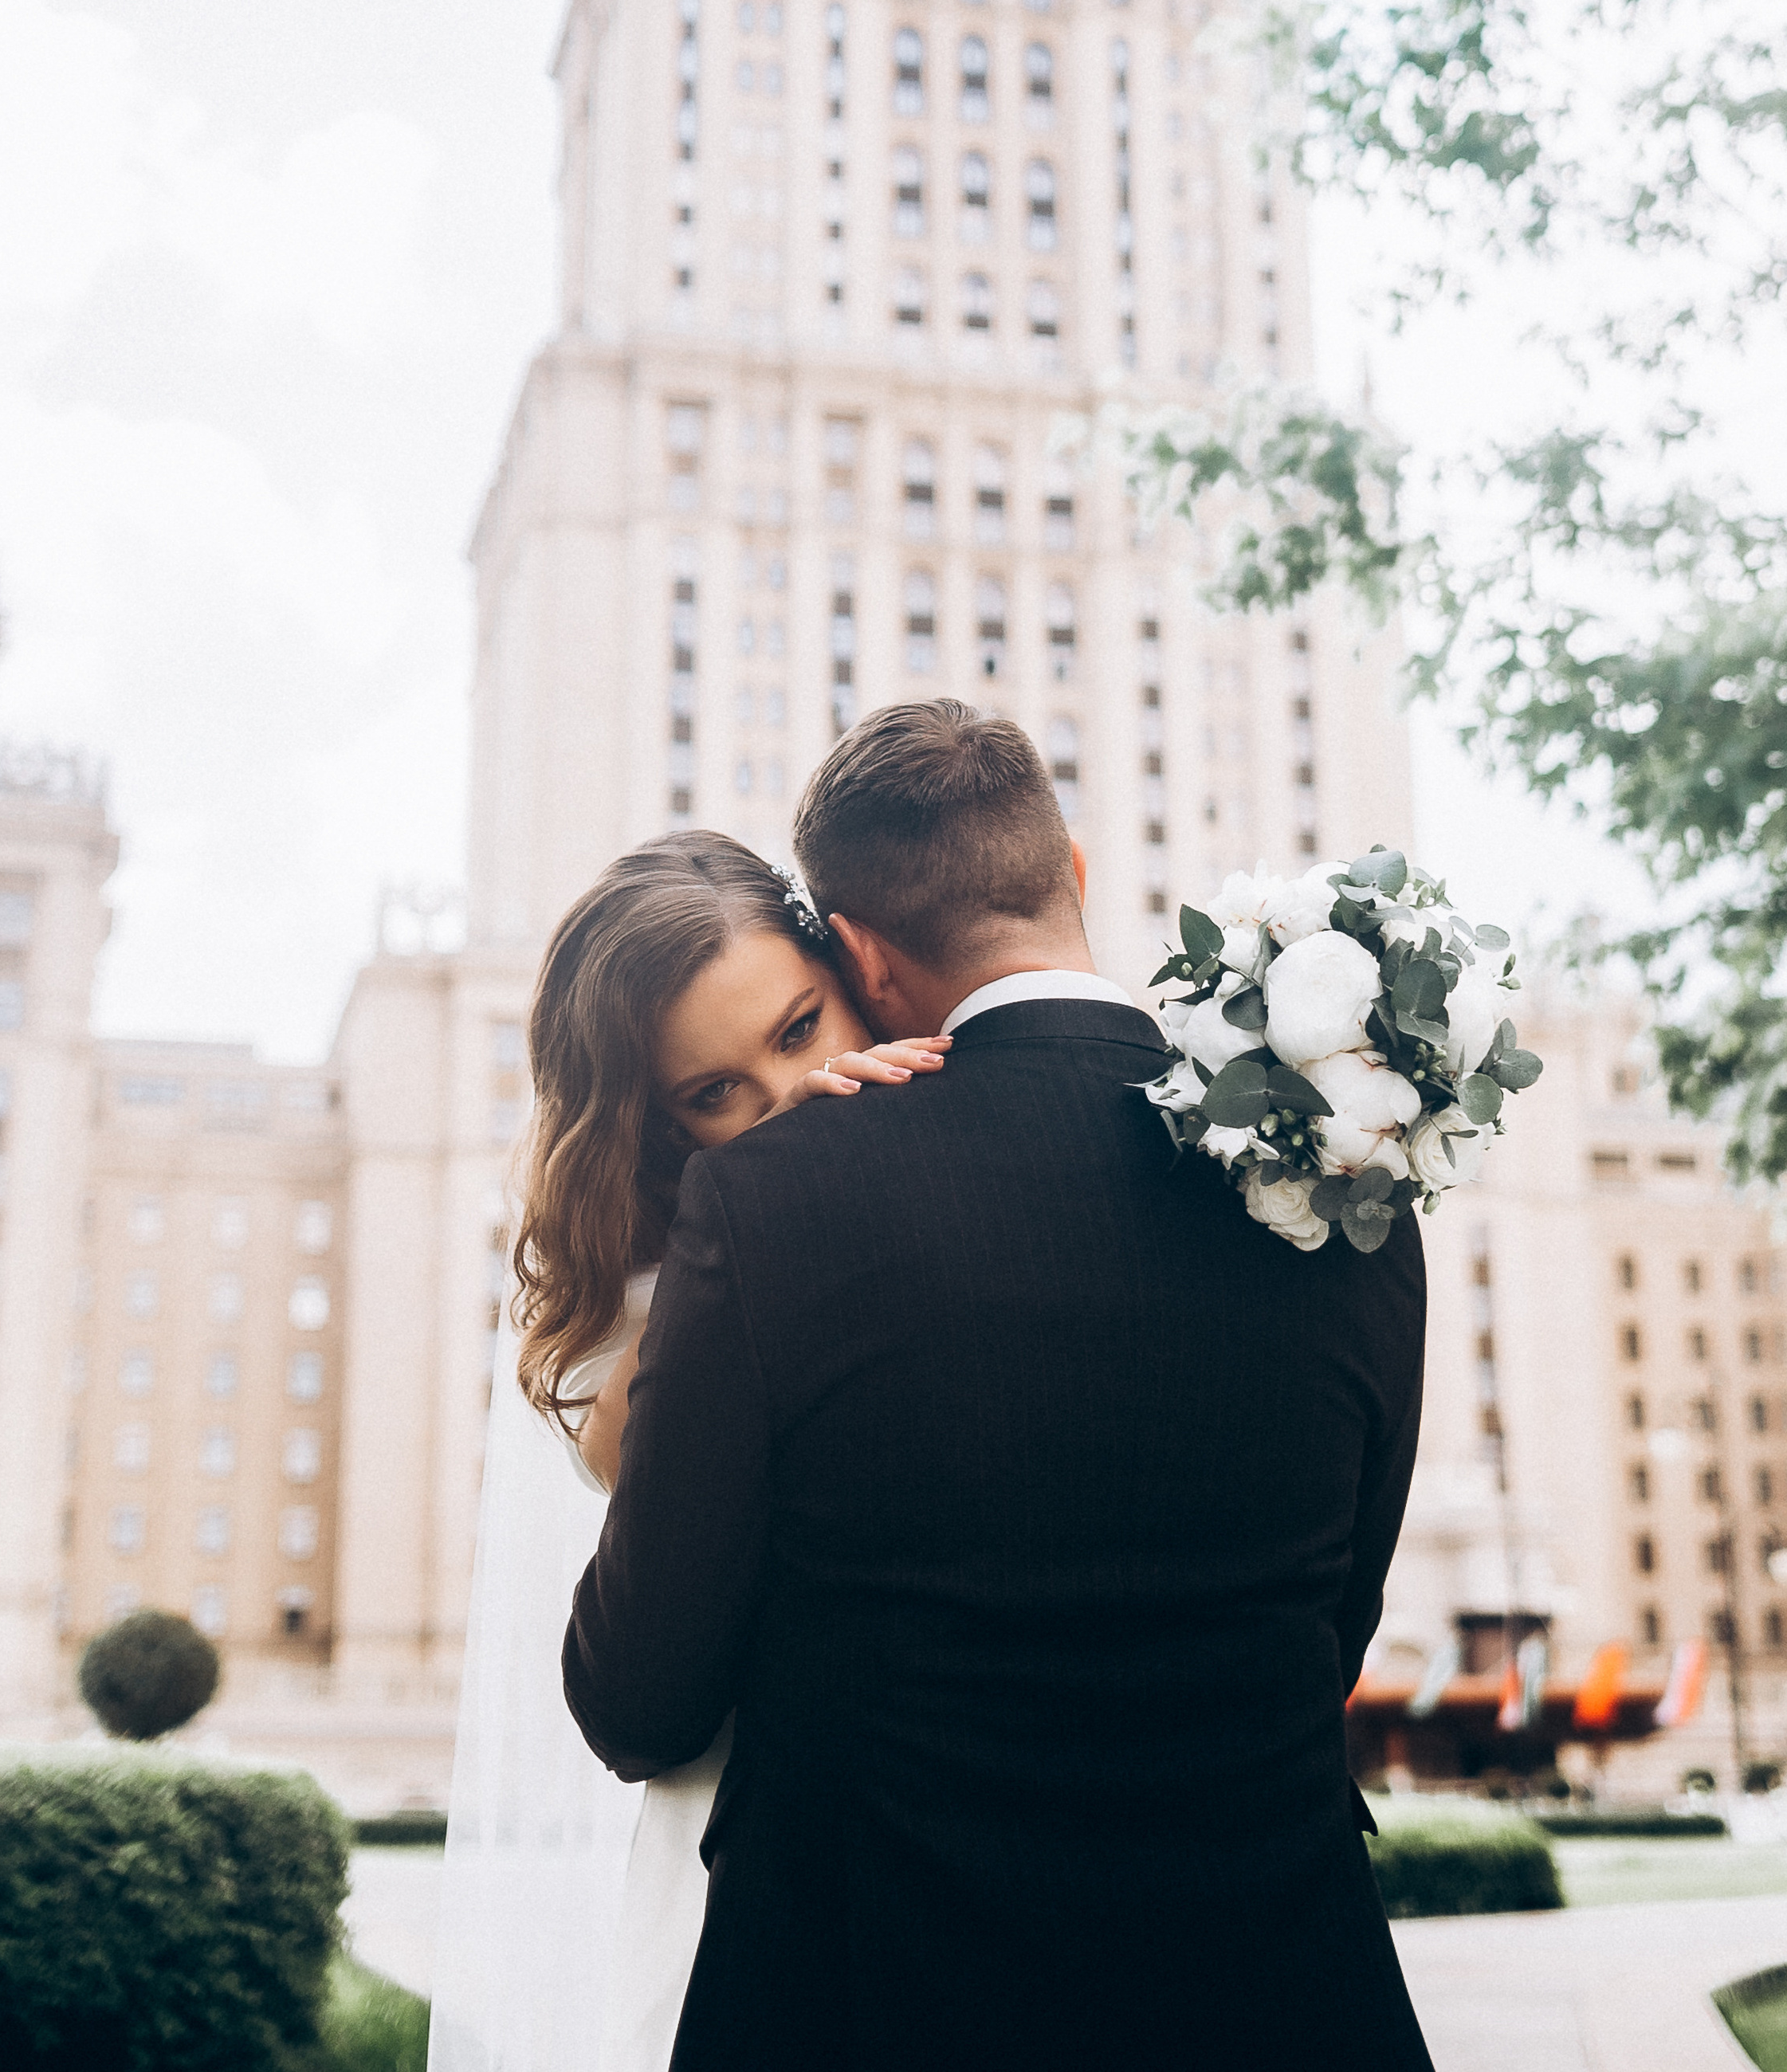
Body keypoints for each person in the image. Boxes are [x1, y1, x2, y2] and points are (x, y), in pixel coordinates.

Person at [563, 700, 1434, 2072]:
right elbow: (1335, 1635)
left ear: (854, 954)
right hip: (1286, 2000)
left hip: (876, 2002)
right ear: (1074, 871)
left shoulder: (762, 1213)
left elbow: (639, 1705)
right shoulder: (1346, 1171)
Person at [427, 833, 945, 2072]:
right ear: (654, 1133)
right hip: (763, 1875)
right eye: (716, 1093)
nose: (787, 1096)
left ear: (851, 974)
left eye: (797, 1028)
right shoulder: (647, 1313)